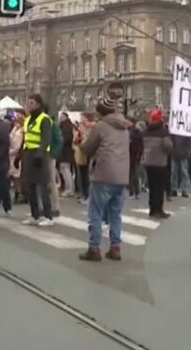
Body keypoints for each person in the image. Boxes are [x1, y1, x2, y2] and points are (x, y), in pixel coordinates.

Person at [78, 98, 130, 261]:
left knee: (96, 212)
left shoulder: (101, 126)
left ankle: (94, 248)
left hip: (103, 174)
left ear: (100, 112)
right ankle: (115, 247)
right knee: (115, 213)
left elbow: (87, 148)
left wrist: (81, 141)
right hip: (122, 175)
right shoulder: (124, 127)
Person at [21, 94, 54, 227]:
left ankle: (48, 215)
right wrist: (19, 156)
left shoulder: (44, 119)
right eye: (28, 103)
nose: (29, 106)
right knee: (30, 186)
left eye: (32, 103)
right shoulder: (28, 120)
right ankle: (35, 215)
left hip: (39, 155)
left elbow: (46, 138)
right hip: (28, 154)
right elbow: (26, 138)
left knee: (42, 186)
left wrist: (40, 154)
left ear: (39, 104)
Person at [141, 109, 173, 219]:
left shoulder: (145, 131)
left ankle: (152, 209)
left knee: (152, 186)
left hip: (148, 162)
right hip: (160, 162)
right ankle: (159, 210)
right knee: (160, 187)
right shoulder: (163, 131)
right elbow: (167, 146)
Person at [58, 112, 76, 197]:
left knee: (66, 170)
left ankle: (69, 189)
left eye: (61, 117)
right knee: (64, 169)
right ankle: (68, 188)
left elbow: (66, 139)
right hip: (65, 151)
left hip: (66, 151)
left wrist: (60, 142)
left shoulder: (66, 127)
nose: (60, 118)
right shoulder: (65, 126)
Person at [9, 114, 25, 202]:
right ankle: (17, 192)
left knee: (17, 176)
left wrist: (10, 152)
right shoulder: (14, 130)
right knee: (14, 176)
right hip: (12, 154)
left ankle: (20, 193)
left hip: (16, 155)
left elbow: (18, 146)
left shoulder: (21, 132)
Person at [128, 118, 144, 199]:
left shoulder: (131, 133)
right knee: (134, 174)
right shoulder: (139, 134)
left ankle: (132, 192)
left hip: (131, 156)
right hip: (136, 156)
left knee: (132, 174)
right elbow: (141, 146)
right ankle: (136, 192)